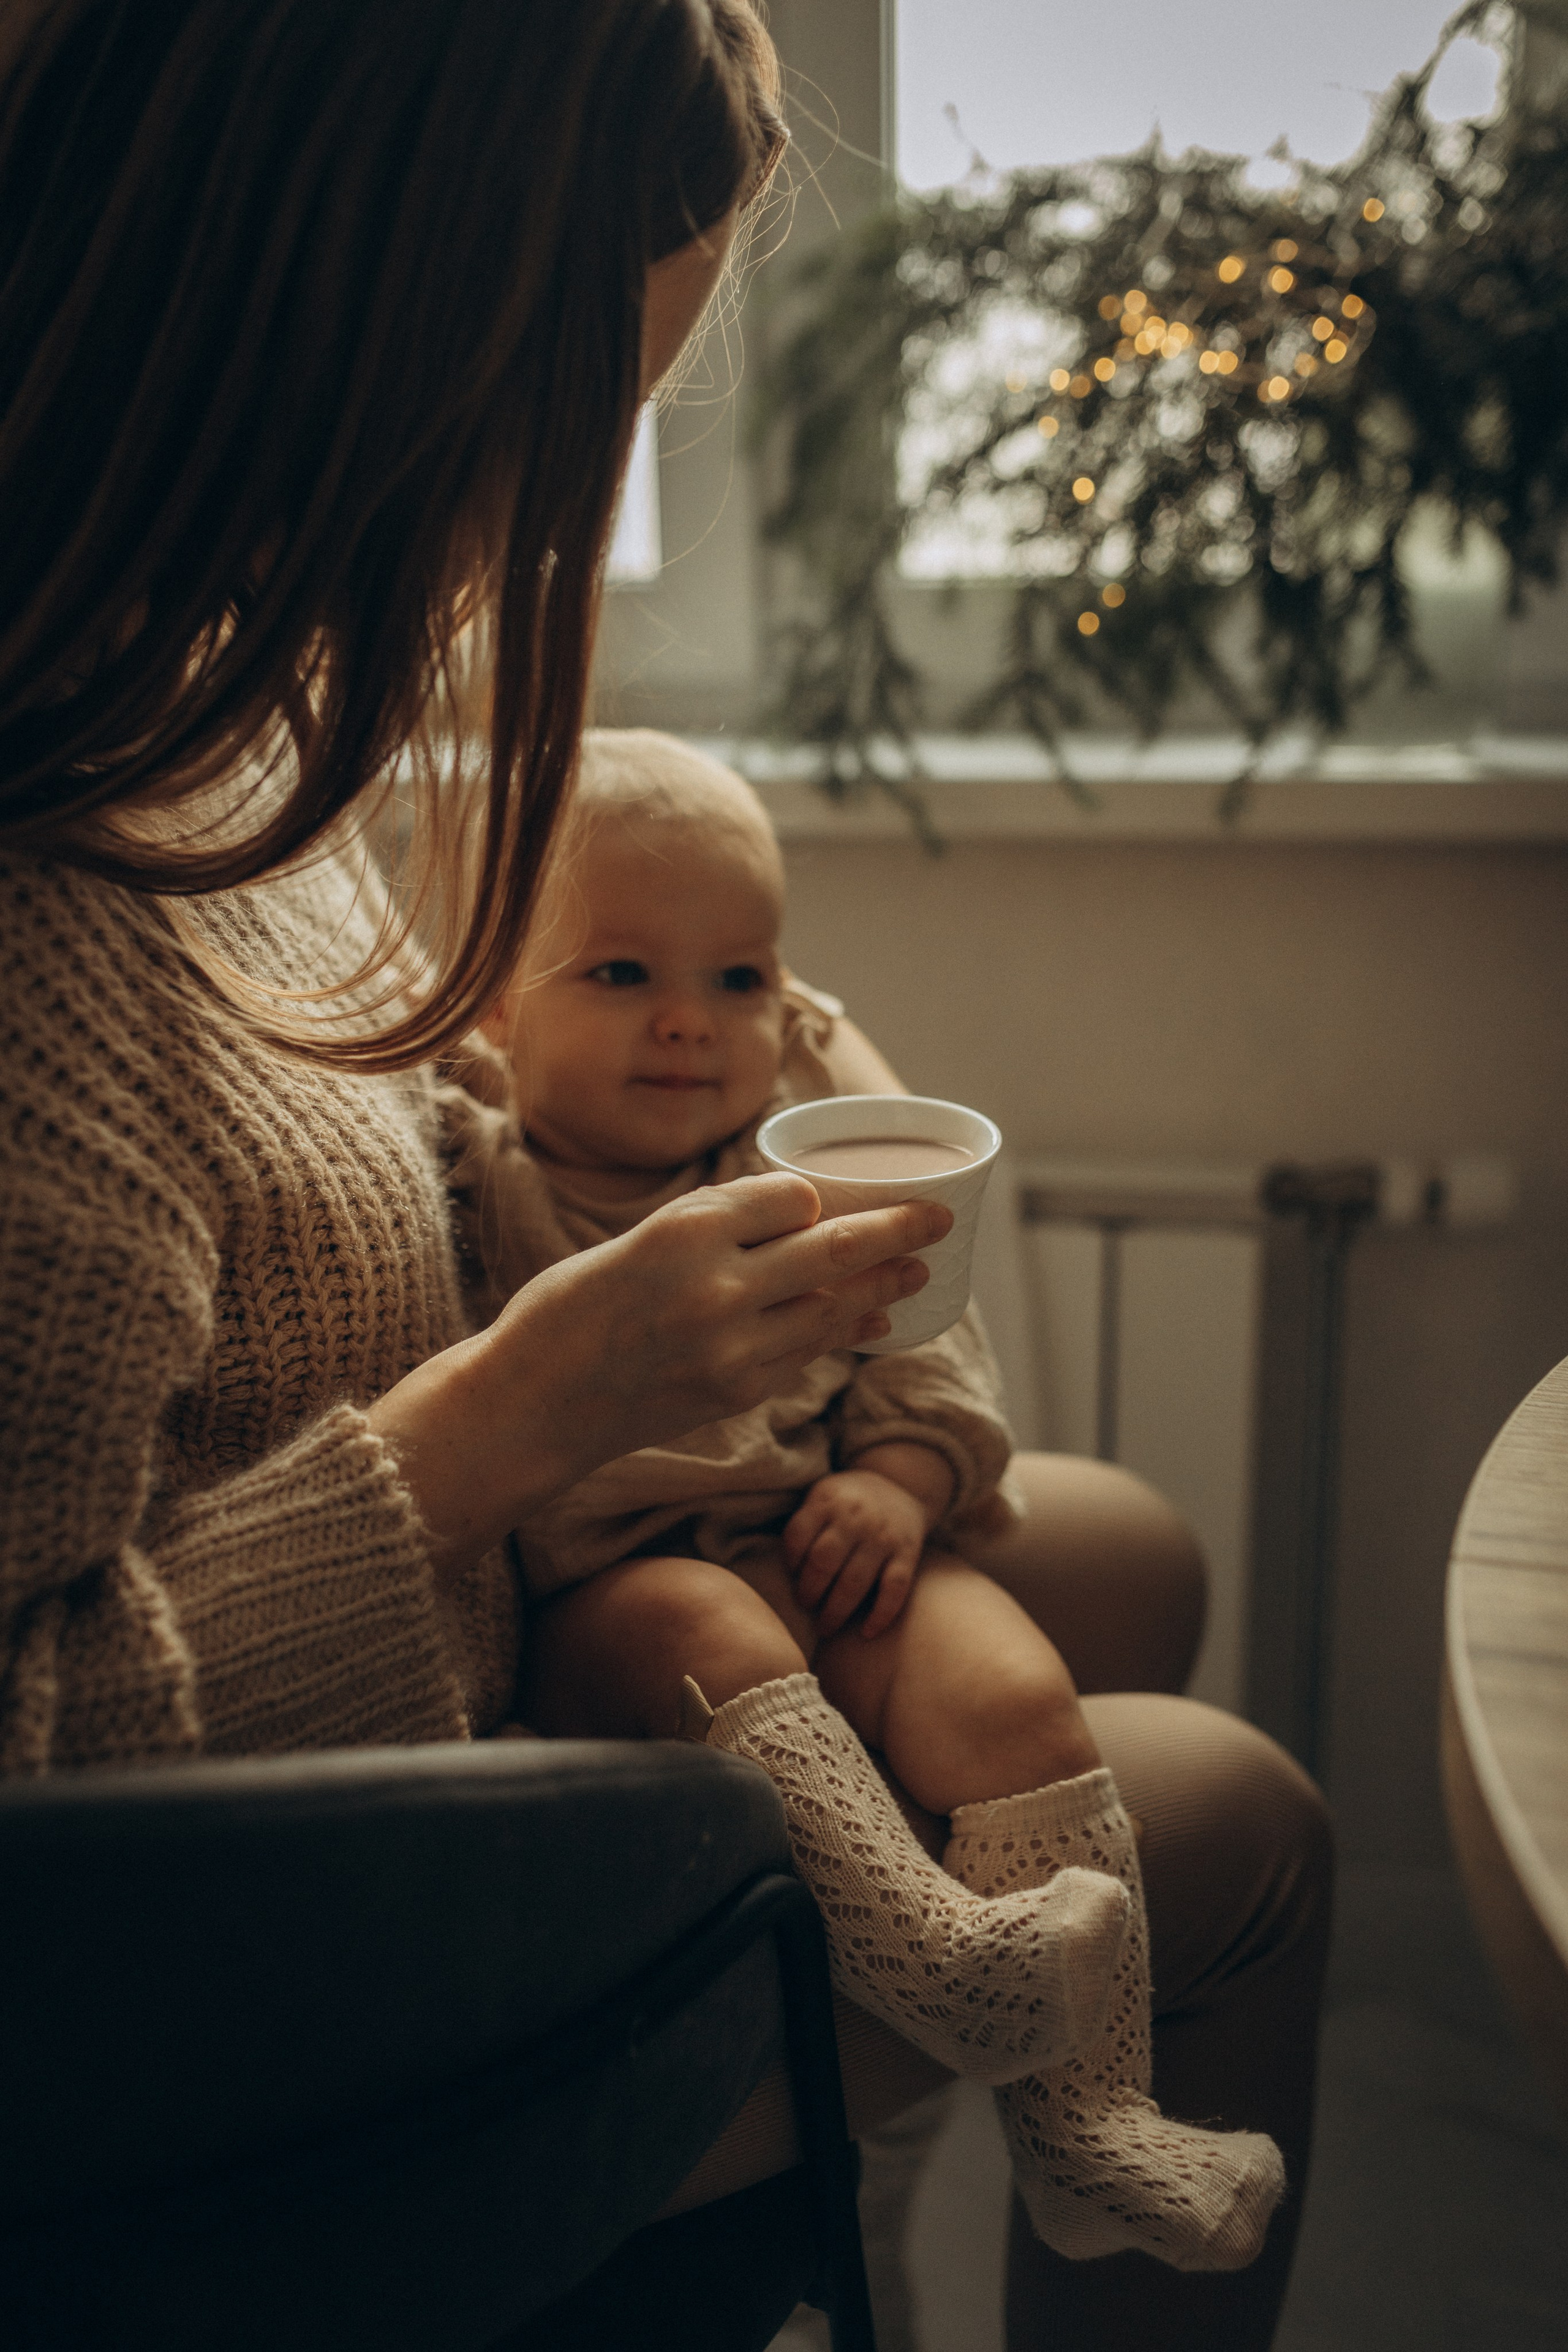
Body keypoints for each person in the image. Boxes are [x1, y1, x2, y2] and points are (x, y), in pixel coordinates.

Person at [0, 5, 1330, 2345]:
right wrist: (507, 1420)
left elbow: (316, 1165)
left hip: (462, 1649)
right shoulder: (47, 934)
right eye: (561, 421)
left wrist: (643, 1132)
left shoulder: (202, 711)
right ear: (334, 345)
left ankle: (879, 2193)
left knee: (1129, 1549)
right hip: (226, 2045)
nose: (553, 509)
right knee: (1226, 1828)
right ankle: (930, 2140)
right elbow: (45, 1820)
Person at [450, 725, 1286, 2272]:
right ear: (498, 1003)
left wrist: (901, 1486)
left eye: (741, 979)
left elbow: (929, 1332)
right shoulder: (469, 1155)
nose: (692, 1026)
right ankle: (938, 1963)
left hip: (821, 1519)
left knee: (1013, 1690)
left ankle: (1086, 2129)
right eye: (620, 975)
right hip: (606, 1587)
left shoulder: (807, 1119)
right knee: (695, 1613)